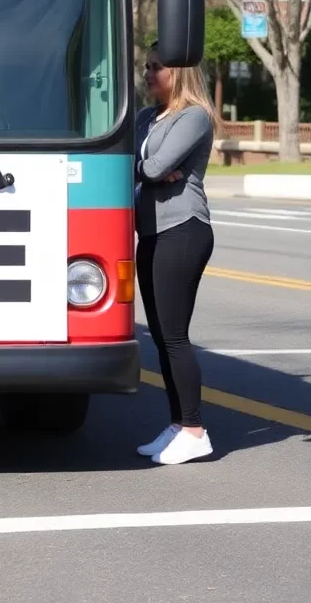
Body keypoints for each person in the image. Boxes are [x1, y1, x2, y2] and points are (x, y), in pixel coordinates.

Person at [134, 42, 217, 466]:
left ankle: (195, 429)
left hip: (182, 229)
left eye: (156, 68)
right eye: (146, 67)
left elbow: (149, 167)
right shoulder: (147, 117)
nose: (147, 74)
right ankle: (176, 424)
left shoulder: (195, 116)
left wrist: (155, 170)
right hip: (149, 232)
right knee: (162, 339)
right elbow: (141, 165)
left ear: (178, 73)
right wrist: (156, 170)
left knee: (176, 336)